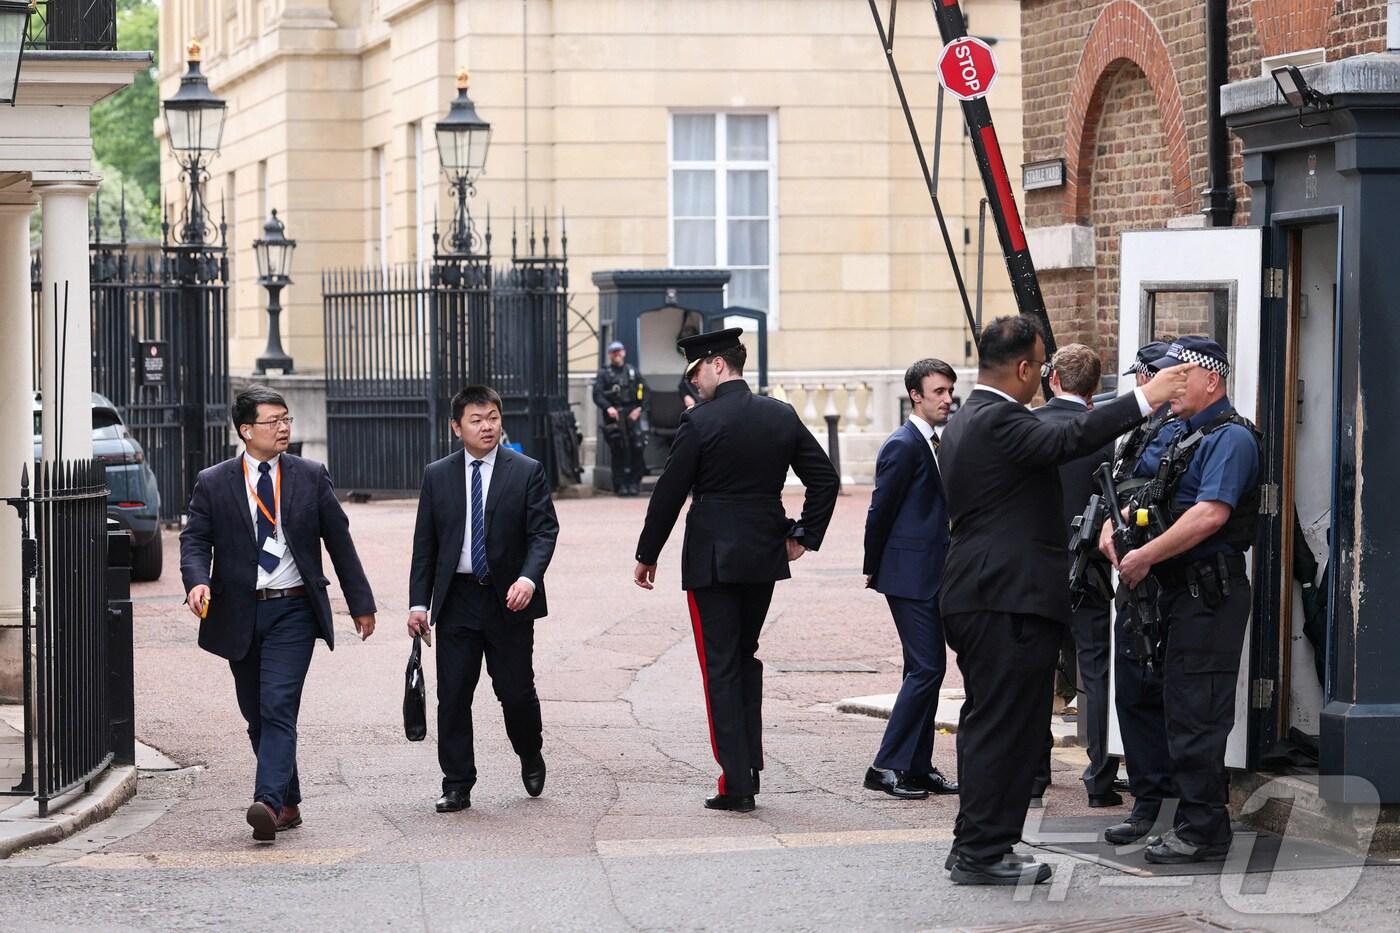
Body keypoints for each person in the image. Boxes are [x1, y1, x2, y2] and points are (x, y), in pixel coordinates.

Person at [937, 315, 1190, 886]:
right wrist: (1145, 397)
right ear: (1025, 368)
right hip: (1006, 597)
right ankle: (982, 851)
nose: (1044, 375)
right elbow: (1066, 438)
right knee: (1007, 726)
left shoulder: (969, 417)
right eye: (1041, 364)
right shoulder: (998, 418)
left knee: (991, 722)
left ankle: (977, 842)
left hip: (983, 590)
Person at [633, 328, 839, 813]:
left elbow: (669, 493)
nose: (695, 383)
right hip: (763, 555)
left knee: (719, 667)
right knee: (744, 659)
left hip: (711, 560)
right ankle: (747, 767)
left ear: (717, 365)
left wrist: (648, 552)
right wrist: (804, 535)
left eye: (697, 372)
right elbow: (824, 478)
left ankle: (736, 778)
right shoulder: (780, 414)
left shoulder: (699, 422)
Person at [180, 385, 377, 843]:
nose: (284, 427)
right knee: (256, 715)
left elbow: (339, 541)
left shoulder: (310, 475)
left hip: (293, 609)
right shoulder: (214, 481)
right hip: (238, 612)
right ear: (246, 431)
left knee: (278, 706)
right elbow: (194, 542)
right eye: (274, 421)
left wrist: (360, 603)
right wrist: (197, 582)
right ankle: (288, 801)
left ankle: (266, 802)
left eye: (287, 419)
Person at [1099, 337, 1260, 864]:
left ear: (1210, 379)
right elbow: (1147, 498)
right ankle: (1177, 816)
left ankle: (1204, 831)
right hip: (1176, 593)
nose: (1168, 386)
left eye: (1179, 376)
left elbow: (1210, 513)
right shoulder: (1184, 434)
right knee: (1173, 707)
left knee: (1198, 713)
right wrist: (1117, 529)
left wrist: (1145, 556)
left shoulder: (1230, 438)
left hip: (1206, 591)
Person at [407, 385, 560, 814]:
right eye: (476, 420)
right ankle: (457, 782)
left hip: (508, 601)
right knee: (453, 695)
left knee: (515, 693)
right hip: (456, 600)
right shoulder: (437, 475)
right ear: (457, 427)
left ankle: (530, 751)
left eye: (492, 417)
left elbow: (544, 531)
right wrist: (419, 604)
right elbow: (426, 545)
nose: (487, 426)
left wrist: (529, 578)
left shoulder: (526, 470)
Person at [861, 359, 960, 801]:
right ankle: (885, 765)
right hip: (907, 575)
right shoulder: (903, 444)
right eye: (938, 391)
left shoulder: (942, 443)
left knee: (922, 671)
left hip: (934, 572)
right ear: (915, 395)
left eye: (949, 390)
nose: (947, 398)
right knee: (928, 667)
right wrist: (874, 565)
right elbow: (880, 508)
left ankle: (918, 767)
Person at [1031, 344, 1125, 809]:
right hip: (1089, 570)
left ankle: (1034, 776)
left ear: (1053, 380)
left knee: (1036, 673)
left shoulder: (1027, 428)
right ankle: (1100, 779)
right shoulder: (1101, 435)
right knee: (1096, 674)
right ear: (1093, 387)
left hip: (1038, 569)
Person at [1103, 341, 1180, 847]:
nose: (1137, 387)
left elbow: (1152, 491)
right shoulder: (1140, 430)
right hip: (1133, 574)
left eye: (1143, 378)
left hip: (1166, 573)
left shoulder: (1177, 429)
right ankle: (1149, 800)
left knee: (1168, 693)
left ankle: (1170, 803)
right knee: (1131, 689)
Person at [593, 340, 650, 496]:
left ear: (624, 352)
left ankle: (634, 483)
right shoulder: (604, 374)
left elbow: (646, 392)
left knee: (637, 447)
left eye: (619, 351)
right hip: (615, 417)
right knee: (619, 450)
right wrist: (608, 408)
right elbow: (597, 394)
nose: (617, 354)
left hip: (633, 415)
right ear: (610, 354)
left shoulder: (632, 371)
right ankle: (620, 485)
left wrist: (639, 409)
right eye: (613, 352)